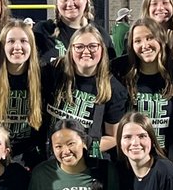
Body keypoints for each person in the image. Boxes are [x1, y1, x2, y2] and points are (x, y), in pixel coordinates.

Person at [112, 17, 173, 176]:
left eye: (150, 38)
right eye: (138, 41)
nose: (145, 45)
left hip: (170, 164)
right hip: (132, 164)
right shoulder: (120, 72)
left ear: (161, 39)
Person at [43, 24, 127, 158]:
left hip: (85, 164)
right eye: (79, 47)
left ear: (102, 50)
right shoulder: (54, 73)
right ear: (71, 50)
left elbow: (113, 137)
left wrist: (81, 145)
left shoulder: (113, 89)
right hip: (49, 160)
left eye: (92, 46)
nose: (86, 51)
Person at [0, 21, 46, 167]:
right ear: (2, 46)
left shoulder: (43, 75)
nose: (17, 47)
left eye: (23, 41)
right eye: (11, 41)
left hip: (29, 155)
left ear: (31, 46)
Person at [33, 0, 110, 61]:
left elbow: (110, 71)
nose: (70, 3)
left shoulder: (101, 35)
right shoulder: (43, 31)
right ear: (57, 3)